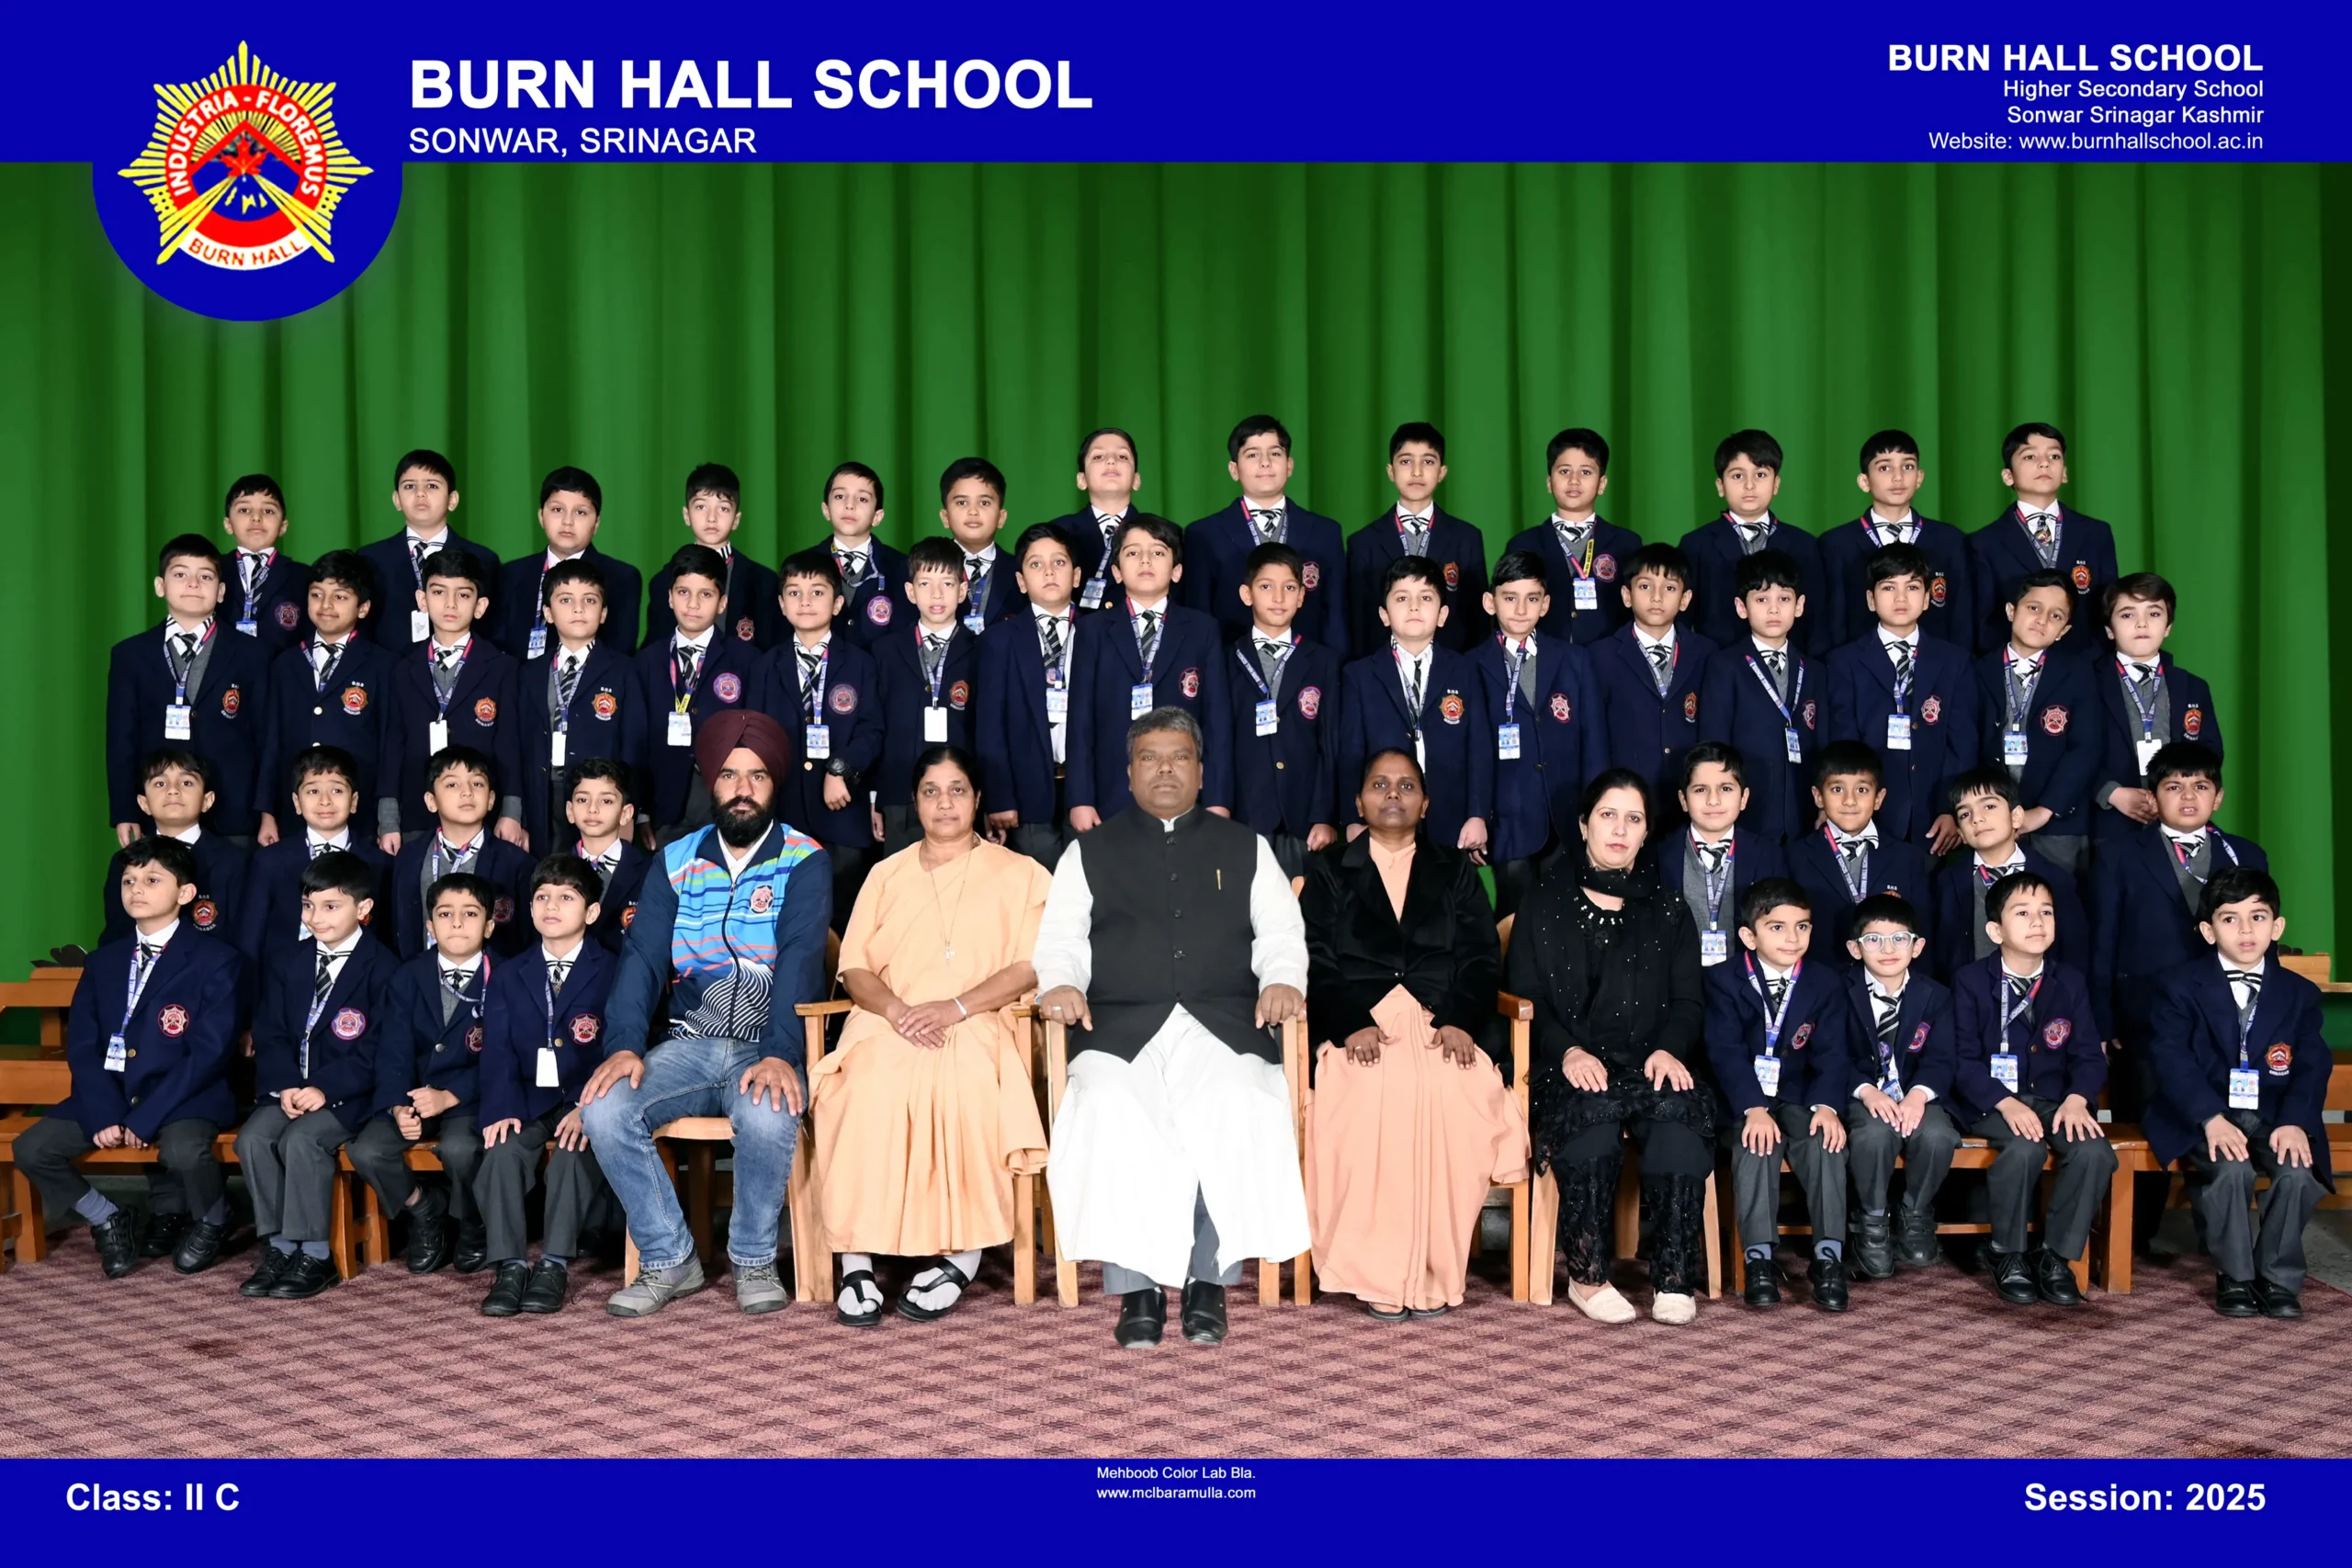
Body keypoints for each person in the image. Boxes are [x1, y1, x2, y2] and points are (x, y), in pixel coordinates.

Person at [1036, 708, 1311, 1348]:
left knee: (1237, 1099)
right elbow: (1060, 941)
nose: (1165, 769)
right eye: (1150, 758)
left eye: (1179, 757)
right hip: (1120, 1025)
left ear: (1201, 771)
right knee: (1111, 1105)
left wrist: (1281, 979)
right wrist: (1063, 983)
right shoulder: (1087, 851)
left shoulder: (1247, 846)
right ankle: (1138, 1289)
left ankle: (1207, 1279)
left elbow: (1281, 935)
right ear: (1129, 772)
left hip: (1223, 1022)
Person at [583, 710, 832, 1317]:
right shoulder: (674, 860)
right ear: (710, 782)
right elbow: (642, 960)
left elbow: (801, 960)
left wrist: (781, 1054)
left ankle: (753, 1258)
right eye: (729, 775)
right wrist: (624, 1045)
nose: (743, 789)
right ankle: (670, 1257)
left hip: (764, 1046)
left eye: (757, 776)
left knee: (769, 1115)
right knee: (604, 1108)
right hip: (688, 1047)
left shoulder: (805, 858)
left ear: (774, 784)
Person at [814, 746, 1052, 1325]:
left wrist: (955, 1007)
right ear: (915, 802)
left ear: (978, 799)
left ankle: (961, 1253)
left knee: (965, 1082)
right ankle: (855, 1261)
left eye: (957, 790)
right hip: (888, 1018)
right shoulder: (885, 873)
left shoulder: (1022, 873)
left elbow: (1031, 966)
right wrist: (897, 1011)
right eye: (931, 791)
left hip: (980, 1018)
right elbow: (855, 966)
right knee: (860, 1084)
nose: (945, 803)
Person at [1302, 750, 1525, 1319]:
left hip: (1439, 1020)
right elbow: (1315, 959)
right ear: (1359, 802)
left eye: (1406, 786)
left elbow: (1480, 957)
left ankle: (1432, 1270)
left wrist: (1459, 1020)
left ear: (1425, 804)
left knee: (1452, 1091)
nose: (1393, 795)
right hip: (1360, 1023)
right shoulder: (1329, 870)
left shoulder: (1455, 869)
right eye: (1379, 785)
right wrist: (1349, 1022)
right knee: (1370, 1092)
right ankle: (1378, 1271)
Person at [1505, 770, 1712, 1325]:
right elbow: (1527, 994)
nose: (1620, 829)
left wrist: (1669, 1049)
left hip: (1649, 1059)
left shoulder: (1668, 908)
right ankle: (1588, 1277)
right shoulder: (1543, 900)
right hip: (1569, 1061)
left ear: (1646, 832)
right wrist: (1568, 1052)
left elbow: (1688, 1001)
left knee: (1679, 1123)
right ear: (1584, 825)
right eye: (1608, 816)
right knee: (1591, 1126)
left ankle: (1673, 1276)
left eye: (1634, 819)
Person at [15, 838, 242, 1279]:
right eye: (129, 880)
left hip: (183, 1094)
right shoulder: (104, 961)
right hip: (113, 1091)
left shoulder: (217, 960)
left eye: (152, 880)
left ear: (185, 893)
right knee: (32, 1148)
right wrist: (105, 1112)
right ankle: (107, 1216)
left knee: (184, 1152)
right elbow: (83, 1045)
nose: (136, 888)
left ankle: (215, 1217)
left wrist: (146, 1116)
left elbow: (208, 1053)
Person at [2144, 867, 2331, 1319]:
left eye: (2258, 917)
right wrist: (2210, 1118)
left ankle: (2278, 1278)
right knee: (2232, 1170)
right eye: (2230, 919)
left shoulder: (2300, 993)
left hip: (2274, 1113)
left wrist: (2295, 1121)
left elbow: (2312, 1065)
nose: (2246, 931)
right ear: (2209, 931)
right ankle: (2236, 1276)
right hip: (2203, 1113)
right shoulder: (2178, 985)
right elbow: (2172, 1059)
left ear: (2277, 926)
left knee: (2297, 1173)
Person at [236, 850, 400, 1301]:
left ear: (364, 908)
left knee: (302, 1141)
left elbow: (380, 1048)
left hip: (349, 1094)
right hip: (290, 1088)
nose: (316, 917)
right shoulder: (288, 960)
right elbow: (270, 1031)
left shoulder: (384, 967)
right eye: (309, 906)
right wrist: (288, 1083)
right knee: (253, 1139)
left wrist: (324, 1088)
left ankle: (314, 1253)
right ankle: (279, 1247)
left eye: (331, 906)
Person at [1949, 870, 2115, 1307]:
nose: (2037, 921)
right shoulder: (1970, 981)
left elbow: (2089, 1056)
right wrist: (2005, 1103)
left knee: (2094, 1152)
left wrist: (2077, 1100)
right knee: (2024, 1148)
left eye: (2046, 912)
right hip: (1990, 1103)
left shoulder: (2069, 981)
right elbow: (1961, 1062)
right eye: (2022, 913)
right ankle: (2007, 1253)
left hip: (2055, 1101)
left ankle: (2055, 1257)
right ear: (1995, 930)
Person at [474, 854, 616, 1316]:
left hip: (587, 1098)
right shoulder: (510, 973)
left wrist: (590, 1108)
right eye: (541, 897)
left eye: (566, 897)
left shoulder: (612, 969)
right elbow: (497, 1050)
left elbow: (623, 1050)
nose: (551, 906)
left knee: (571, 1156)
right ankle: (510, 1265)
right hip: (528, 1098)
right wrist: (502, 1108)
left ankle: (553, 1264)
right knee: (501, 1152)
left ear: (592, 912)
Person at [1706, 877, 1853, 1312]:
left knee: (1826, 1143)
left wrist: (1827, 1106)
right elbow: (1725, 1051)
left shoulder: (1824, 982)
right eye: (1777, 927)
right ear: (1749, 936)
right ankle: (1759, 1259)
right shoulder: (1722, 979)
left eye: (1802, 927)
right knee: (1758, 1144)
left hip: (1800, 1096)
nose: (1792, 938)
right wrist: (1753, 1107)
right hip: (1743, 1100)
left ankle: (1828, 1257)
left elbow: (1833, 1053)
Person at [352, 871, 496, 1275]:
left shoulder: (505, 975)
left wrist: (451, 1095)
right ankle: (424, 1208)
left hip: (470, 1098)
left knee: (461, 1150)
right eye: (445, 914)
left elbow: (505, 1057)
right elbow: (392, 1051)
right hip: (413, 1094)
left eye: (470, 914)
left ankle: (473, 1222)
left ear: (489, 925)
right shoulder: (408, 975)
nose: (457, 923)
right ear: (430, 926)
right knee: (367, 1150)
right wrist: (398, 1105)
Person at [1064, 514, 1233, 828]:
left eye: (1157, 552)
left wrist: (1218, 799)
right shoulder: (1092, 630)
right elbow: (1080, 722)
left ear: (1177, 570)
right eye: (1132, 553)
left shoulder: (1202, 629)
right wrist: (1080, 798)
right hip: (1110, 793)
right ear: (1116, 571)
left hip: (1186, 796)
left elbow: (1217, 722)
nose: (1145, 560)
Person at [107, 535, 269, 847]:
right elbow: (121, 740)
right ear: (160, 586)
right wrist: (125, 810)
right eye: (180, 574)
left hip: (235, 812)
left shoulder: (254, 655)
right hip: (158, 811)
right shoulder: (130, 655)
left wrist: (268, 811)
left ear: (221, 591)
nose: (193, 584)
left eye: (205, 577)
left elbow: (266, 739)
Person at [752, 548, 882, 928]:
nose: (805, 602)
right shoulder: (764, 666)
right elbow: (755, 738)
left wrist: (840, 768)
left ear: (838, 604)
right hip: (783, 817)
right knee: (788, 924)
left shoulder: (861, 663)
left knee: (843, 924)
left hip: (843, 816)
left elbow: (872, 730)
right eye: (794, 593)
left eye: (818, 592)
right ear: (781, 604)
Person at [1473, 549, 1606, 917]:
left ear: (1545, 605)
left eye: (1532, 599)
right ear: (1489, 602)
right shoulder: (1471, 665)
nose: (1520, 609)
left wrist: (1598, 810)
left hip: (1566, 817)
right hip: (1506, 819)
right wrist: (1477, 814)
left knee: (1567, 917)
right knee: (1513, 918)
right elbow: (1472, 751)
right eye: (1509, 598)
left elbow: (1594, 742)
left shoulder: (1574, 660)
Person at [1337, 557, 1493, 861]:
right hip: (1382, 818)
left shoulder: (1465, 670)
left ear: (1443, 614)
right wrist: (1352, 818)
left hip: (1450, 819)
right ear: (1384, 615)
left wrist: (1478, 814)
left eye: (1426, 598)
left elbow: (1479, 748)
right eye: (1402, 598)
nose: (1414, 607)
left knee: (1446, 888)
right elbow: (1350, 754)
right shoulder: (1359, 675)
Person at [1838, 894, 1961, 1279]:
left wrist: (1918, 1095)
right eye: (1874, 940)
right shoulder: (1837, 990)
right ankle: (1872, 1220)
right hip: (1863, 1095)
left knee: (1939, 1135)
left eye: (1899, 939)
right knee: (1874, 1135)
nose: (1888, 949)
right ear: (1855, 949)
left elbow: (1943, 1057)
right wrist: (1866, 1090)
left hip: (1916, 1094)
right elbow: (1831, 1054)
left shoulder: (1936, 996)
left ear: (1917, 946)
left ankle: (1915, 1212)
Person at [1825, 543, 1974, 851]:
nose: (1901, 598)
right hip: (1867, 815)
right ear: (1871, 599)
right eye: (1889, 587)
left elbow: (1962, 744)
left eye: (1913, 587)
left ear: (1928, 598)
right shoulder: (1844, 661)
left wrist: (1952, 808)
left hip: (1934, 817)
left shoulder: (1954, 661)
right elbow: (1843, 741)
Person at [375, 547, 525, 851]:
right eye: (439, 592)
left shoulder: (503, 667)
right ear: (422, 600)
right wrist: (388, 820)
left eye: (463, 594)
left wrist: (511, 813)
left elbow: (510, 746)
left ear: (480, 606)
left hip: (481, 813)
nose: (450, 604)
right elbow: (392, 748)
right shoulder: (401, 668)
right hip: (416, 813)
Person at [255, 550, 392, 842]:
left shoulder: (384, 665)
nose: (326, 605)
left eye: (340, 597)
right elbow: (271, 743)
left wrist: (388, 818)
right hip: (295, 810)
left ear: (363, 607)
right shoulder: (285, 664)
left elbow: (389, 747)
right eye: (317, 595)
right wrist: (268, 812)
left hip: (360, 810)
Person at [1225, 542, 1341, 880]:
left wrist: (1324, 816)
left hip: (1304, 822)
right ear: (1246, 594)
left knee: (1302, 906)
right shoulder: (1224, 658)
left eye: (1289, 588)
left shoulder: (1324, 662)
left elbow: (1330, 745)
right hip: (1244, 815)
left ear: (1302, 596)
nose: (1278, 597)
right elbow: (1217, 742)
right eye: (1266, 587)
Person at [630, 542, 761, 842]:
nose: (693, 604)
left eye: (706, 594)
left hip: (728, 802)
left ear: (722, 603)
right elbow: (637, 741)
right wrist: (641, 811)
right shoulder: (645, 662)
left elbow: (754, 741)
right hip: (664, 805)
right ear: (669, 597)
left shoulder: (748, 661)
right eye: (683, 592)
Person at [1972, 568, 2097, 876]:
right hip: (1989, 820)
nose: (2042, 620)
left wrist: (2044, 811)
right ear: (2011, 611)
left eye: (2056, 616)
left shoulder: (2079, 674)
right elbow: (1967, 743)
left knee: (2058, 898)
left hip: (2058, 824)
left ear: (2064, 630)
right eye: (2034, 608)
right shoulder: (1977, 670)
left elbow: (2086, 749)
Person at [515, 557, 645, 853]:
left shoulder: (624, 671)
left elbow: (634, 747)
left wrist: (630, 809)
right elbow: (517, 744)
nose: (578, 609)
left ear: (604, 613)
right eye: (566, 600)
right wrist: (515, 813)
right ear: (548, 613)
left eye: (589, 600)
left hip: (599, 801)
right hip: (541, 796)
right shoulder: (529, 672)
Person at [1184, 414, 1346, 649]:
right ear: (1234, 469)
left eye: (1275, 454)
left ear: (1290, 465)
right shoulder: (1203, 535)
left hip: (1310, 667)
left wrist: (1334, 667)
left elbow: (1336, 617)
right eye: (1252, 455)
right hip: (1232, 664)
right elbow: (1199, 619)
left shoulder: (1325, 532)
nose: (1265, 463)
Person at [976, 522, 1082, 868]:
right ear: (1021, 581)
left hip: (1088, 793)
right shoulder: (999, 640)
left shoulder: (1100, 633)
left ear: (1076, 576)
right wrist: (999, 797)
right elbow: (990, 728)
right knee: (1038, 891)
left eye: (1059, 562)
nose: (1048, 572)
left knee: (1091, 889)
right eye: (1036, 564)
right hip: (1025, 796)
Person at [1696, 549, 1819, 842]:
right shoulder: (1724, 666)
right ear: (1742, 607)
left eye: (1784, 599)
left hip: (1803, 813)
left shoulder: (1815, 670)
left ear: (1800, 606)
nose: (1774, 610)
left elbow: (1823, 744)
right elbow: (1714, 744)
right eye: (1762, 600)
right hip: (1748, 812)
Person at [1964, 423, 2117, 657]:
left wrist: (2093, 663)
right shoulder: (1983, 543)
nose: (2044, 463)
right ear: (2008, 476)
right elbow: (1984, 623)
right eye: (2030, 456)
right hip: (2015, 669)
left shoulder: (2096, 534)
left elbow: (2108, 611)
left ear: (2064, 473)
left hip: (2086, 666)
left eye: (2054, 456)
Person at [2091, 572, 2222, 845]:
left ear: (2168, 627)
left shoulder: (2193, 686)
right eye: (2127, 615)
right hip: (2108, 822)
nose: (2141, 623)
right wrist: (2112, 793)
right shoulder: (2086, 682)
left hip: (2178, 821)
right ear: (2109, 629)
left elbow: (2210, 752)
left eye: (2153, 614)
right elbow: (2071, 752)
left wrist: (2174, 795)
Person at [873, 536, 982, 855]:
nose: (936, 595)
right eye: (925, 584)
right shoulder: (885, 652)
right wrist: (875, 797)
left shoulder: (982, 650)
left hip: (960, 795)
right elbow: (876, 726)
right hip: (899, 792)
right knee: (903, 878)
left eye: (947, 584)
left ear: (962, 591)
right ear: (910, 592)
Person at [1930, 768, 2088, 984]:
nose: (1977, 818)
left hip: (2039, 999)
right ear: (1961, 834)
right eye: (1965, 814)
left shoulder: (2056, 880)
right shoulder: (1946, 882)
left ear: (2016, 817)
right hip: (1967, 999)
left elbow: (2074, 956)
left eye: (1989, 806)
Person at [1784, 741, 1933, 971]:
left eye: (1862, 790)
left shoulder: (1908, 858)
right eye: (1837, 789)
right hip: (1818, 980)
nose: (1849, 800)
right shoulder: (1794, 857)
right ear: (1818, 796)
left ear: (1879, 798)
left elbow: (1922, 932)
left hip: (1889, 983)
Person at [233, 745, 390, 963]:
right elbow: (251, 936)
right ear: (297, 802)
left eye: (337, 791)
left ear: (354, 801)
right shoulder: (269, 861)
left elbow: (384, 935)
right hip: (283, 975)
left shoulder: (379, 863)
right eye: (313, 791)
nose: (325, 801)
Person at [1815, 432, 1968, 650]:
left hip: (1936, 666)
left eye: (1908, 467)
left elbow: (1961, 620)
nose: (1898, 477)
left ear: (1920, 477)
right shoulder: (1836, 545)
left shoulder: (1949, 541)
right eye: (1885, 468)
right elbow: (1832, 623)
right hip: (1858, 666)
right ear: (1864, 481)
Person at [1592, 543, 1716, 812]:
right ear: (1627, 595)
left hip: (1691, 800)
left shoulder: (1707, 653)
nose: (1657, 597)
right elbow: (1594, 738)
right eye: (1645, 586)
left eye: (1670, 588)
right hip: (1626, 800)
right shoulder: (1600, 656)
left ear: (1685, 599)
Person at [1349, 422, 1489, 656]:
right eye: (1406, 461)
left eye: (1428, 461)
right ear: (1390, 471)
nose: (1417, 471)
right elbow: (1358, 623)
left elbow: (1478, 621)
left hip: (1452, 667)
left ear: (1442, 472)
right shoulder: (1363, 543)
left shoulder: (1466, 538)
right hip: (1382, 669)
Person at [1679, 430, 1825, 653]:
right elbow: (1682, 621)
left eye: (1761, 475)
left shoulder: (1803, 545)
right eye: (1738, 476)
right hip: (1716, 664)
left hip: (1790, 665)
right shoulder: (1696, 545)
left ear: (1776, 484)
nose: (1749, 485)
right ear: (1720, 486)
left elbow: (1817, 620)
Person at [387, 746, 534, 958]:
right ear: (431, 801)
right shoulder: (409, 856)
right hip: (420, 972)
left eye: (477, 783)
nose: (467, 792)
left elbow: (525, 939)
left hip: (492, 975)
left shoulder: (516, 863)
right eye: (452, 784)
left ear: (491, 799)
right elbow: (398, 928)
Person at [1501, 428, 1640, 649]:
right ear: (1549, 482)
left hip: (1610, 661)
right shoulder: (1523, 544)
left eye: (1586, 472)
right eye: (1564, 471)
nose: (1574, 480)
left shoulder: (1627, 544)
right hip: (1543, 661)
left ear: (1602, 484)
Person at [96, 749, 248, 948]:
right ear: (144, 803)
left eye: (187, 783)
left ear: (207, 800)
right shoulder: (123, 861)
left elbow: (241, 938)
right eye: (160, 783)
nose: (173, 790)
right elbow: (116, 934)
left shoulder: (234, 862)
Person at [489, 465, 642, 660]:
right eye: (557, 510)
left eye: (580, 512)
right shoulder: (513, 573)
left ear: (596, 523)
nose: (567, 521)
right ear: (541, 516)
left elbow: (620, 650)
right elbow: (498, 645)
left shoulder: (622, 577)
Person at [358, 449, 502, 653]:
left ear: (452, 500)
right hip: (388, 668)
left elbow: (492, 628)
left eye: (432, 486)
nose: (420, 494)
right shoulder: (370, 558)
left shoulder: (483, 559)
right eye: (410, 486)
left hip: (463, 668)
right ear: (397, 499)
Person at [1659, 741, 1788, 967]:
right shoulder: (1659, 856)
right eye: (1700, 790)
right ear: (1683, 800)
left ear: (1744, 798)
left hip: (1745, 980)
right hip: (1676, 979)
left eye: (1726, 789)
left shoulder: (1769, 856)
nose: (1713, 800)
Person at [643, 461, 779, 651]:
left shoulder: (764, 582)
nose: (712, 518)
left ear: (736, 520)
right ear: (686, 515)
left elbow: (773, 653)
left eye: (723, 508)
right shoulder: (662, 581)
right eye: (701, 507)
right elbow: (655, 651)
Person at [1040, 428, 1143, 614]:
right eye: (1098, 457)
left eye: (1122, 456)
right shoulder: (1057, 533)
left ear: (1136, 480)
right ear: (1081, 480)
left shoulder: (1164, 533)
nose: (1111, 461)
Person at [218, 473, 311, 662]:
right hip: (221, 676)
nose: (256, 518)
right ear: (228, 524)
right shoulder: (211, 571)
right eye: (244, 510)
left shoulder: (304, 576)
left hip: (281, 676)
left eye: (268, 511)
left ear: (283, 526)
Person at [563, 757, 653, 952]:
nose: (592, 809)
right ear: (570, 811)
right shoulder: (552, 870)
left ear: (625, 813)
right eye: (582, 800)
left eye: (606, 801)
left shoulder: (651, 873)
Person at [815, 460, 905, 649]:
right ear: (826, 510)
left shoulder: (902, 567)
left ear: (877, 516)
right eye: (840, 496)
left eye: (862, 499)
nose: (850, 505)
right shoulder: (804, 565)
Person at [939, 457, 1022, 634]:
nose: (973, 511)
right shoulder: (918, 572)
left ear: (1001, 517)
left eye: (984, 503)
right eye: (962, 503)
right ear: (945, 517)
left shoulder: (1022, 572)